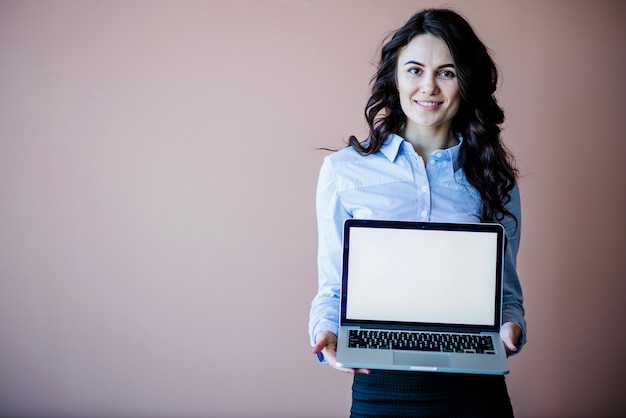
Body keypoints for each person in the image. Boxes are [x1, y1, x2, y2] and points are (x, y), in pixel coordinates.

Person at [308, 8, 526, 417]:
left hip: (474, 390)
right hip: (380, 386)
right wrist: (326, 334)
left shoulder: (494, 177)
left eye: (447, 72)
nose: (429, 86)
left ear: (467, 80)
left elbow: (507, 294)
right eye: (415, 69)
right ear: (395, 76)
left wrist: (511, 326)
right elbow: (333, 286)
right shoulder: (343, 171)